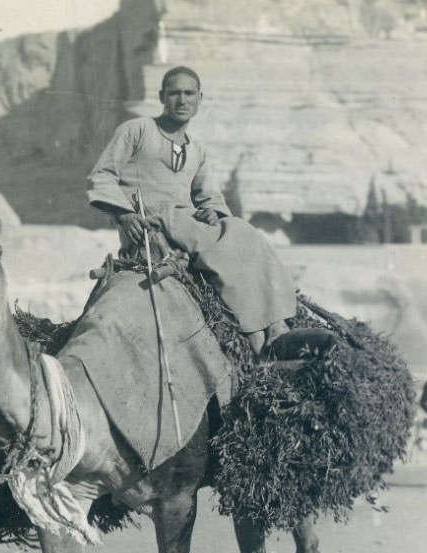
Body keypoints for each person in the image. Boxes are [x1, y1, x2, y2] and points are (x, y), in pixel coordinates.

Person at [87, 66, 297, 353]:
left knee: (243, 231)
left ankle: (276, 326)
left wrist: (213, 212)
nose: (182, 100)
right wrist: (125, 215)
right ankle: (258, 339)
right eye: (174, 93)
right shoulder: (137, 130)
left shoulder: (197, 149)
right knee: (231, 242)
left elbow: (208, 194)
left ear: (200, 99)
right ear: (162, 96)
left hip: (185, 223)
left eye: (189, 94)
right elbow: (102, 175)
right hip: (152, 224)